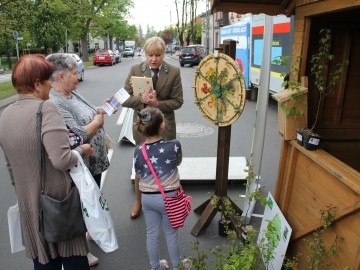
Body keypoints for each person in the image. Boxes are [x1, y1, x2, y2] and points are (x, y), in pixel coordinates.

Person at [0, 54, 93, 270]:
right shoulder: (46, 108)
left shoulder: (5, 115)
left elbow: (10, 166)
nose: (51, 85)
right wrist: (82, 150)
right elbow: (62, 160)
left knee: (44, 263)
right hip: (59, 204)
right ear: (36, 83)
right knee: (74, 261)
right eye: (47, 80)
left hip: (30, 205)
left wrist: (27, 192)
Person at [46, 53, 112, 267]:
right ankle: (82, 251)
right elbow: (76, 134)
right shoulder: (55, 102)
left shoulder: (72, 94)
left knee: (93, 199)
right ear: (61, 76)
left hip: (95, 161)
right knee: (82, 205)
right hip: (82, 163)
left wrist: (102, 110)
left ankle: (91, 232)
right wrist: (96, 122)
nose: (78, 77)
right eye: (74, 74)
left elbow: (92, 112)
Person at [122, 36, 184, 219]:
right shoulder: (135, 69)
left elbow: (178, 101)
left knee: (168, 164)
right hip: (143, 126)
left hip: (165, 125)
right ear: (145, 54)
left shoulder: (173, 71)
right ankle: (139, 201)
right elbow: (124, 97)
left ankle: (169, 202)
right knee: (141, 165)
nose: (154, 59)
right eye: (150, 55)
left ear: (164, 54)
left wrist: (157, 103)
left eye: (158, 55)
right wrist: (141, 100)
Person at [134, 107, 187, 270]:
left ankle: (155, 267)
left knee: (152, 235)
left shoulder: (138, 150)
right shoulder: (174, 145)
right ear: (162, 126)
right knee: (171, 234)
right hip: (170, 197)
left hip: (148, 198)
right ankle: (177, 266)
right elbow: (177, 162)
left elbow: (139, 172)